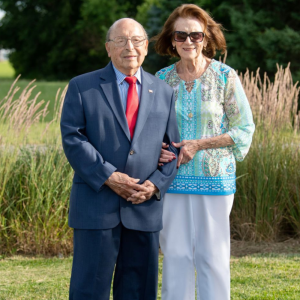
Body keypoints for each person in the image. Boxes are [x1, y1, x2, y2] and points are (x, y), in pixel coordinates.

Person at [60, 18, 179, 300]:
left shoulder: (163, 91)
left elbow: (172, 149)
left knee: (138, 292)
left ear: (146, 47)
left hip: (143, 207)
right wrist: (109, 176)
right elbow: (73, 138)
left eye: (137, 40)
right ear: (108, 48)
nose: (130, 47)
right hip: (96, 206)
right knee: (89, 290)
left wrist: (155, 186)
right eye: (121, 41)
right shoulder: (82, 86)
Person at [153, 4, 255, 300]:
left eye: (195, 35)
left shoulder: (226, 76)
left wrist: (199, 144)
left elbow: (244, 129)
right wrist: (156, 150)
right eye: (181, 35)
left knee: (213, 256)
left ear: (206, 38)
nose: (188, 41)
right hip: (171, 180)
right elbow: (150, 131)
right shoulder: (161, 80)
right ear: (172, 40)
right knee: (176, 255)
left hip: (215, 178)